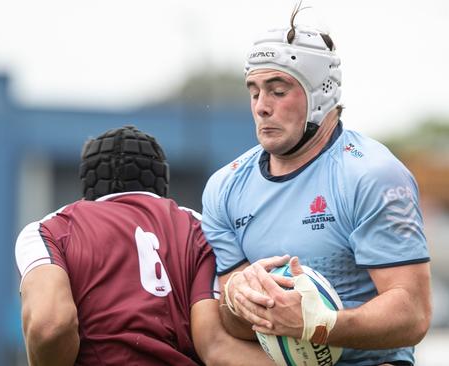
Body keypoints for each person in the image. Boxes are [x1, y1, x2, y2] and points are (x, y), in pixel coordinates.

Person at [201, 8, 432, 366]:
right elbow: (235, 326)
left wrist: (321, 325)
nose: (262, 107)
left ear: (320, 94)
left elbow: (413, 314)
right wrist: (238, 298)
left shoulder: (372, 174)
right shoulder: (225, 187)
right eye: (254, 91)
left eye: (278, 91)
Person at [15, 125, 275, 366]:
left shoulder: (46, 231)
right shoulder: (199, 229)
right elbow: (215, 347)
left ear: (87, 184)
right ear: (162, 180)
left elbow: (50, 326)